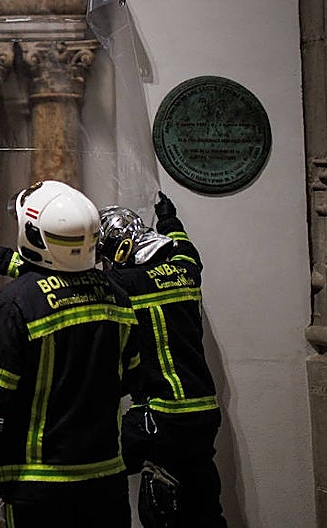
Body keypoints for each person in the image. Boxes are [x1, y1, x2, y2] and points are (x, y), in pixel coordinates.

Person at [0, 180, 140, 527]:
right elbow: (131, 379)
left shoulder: (14, 304)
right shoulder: (118, 298)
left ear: (32, 235)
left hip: (39, 483)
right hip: (106, 477)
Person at [98, 192, 227, 528]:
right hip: (204, 412)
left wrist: (0, 260)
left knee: (91, 464)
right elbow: (186, 248)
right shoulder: (185, 267)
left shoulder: (128, 283)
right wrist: (169, 218)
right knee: (205, 507)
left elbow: (74, 286)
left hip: (161, 416)